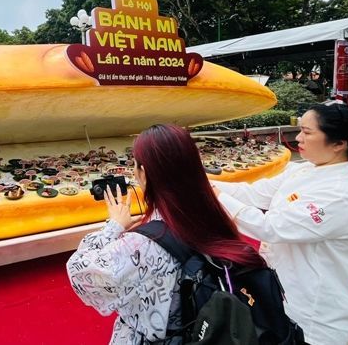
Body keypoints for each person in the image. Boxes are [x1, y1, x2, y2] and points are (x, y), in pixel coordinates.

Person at [66, 124, 266, 344]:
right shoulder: (211, 216)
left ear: (144, 173)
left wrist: (113, 225)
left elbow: (81, 276)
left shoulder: (142, 244)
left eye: (135, 165)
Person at [212, 102, 348, 345]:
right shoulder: (304, 169)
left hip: (314, 317)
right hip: (282, 299)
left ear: (339, 144)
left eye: (307, 132)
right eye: (300, 129)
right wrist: (202, 182)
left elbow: (270, 227)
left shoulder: (343, 195)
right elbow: (254, 193)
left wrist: (216, 195)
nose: (298, 137)